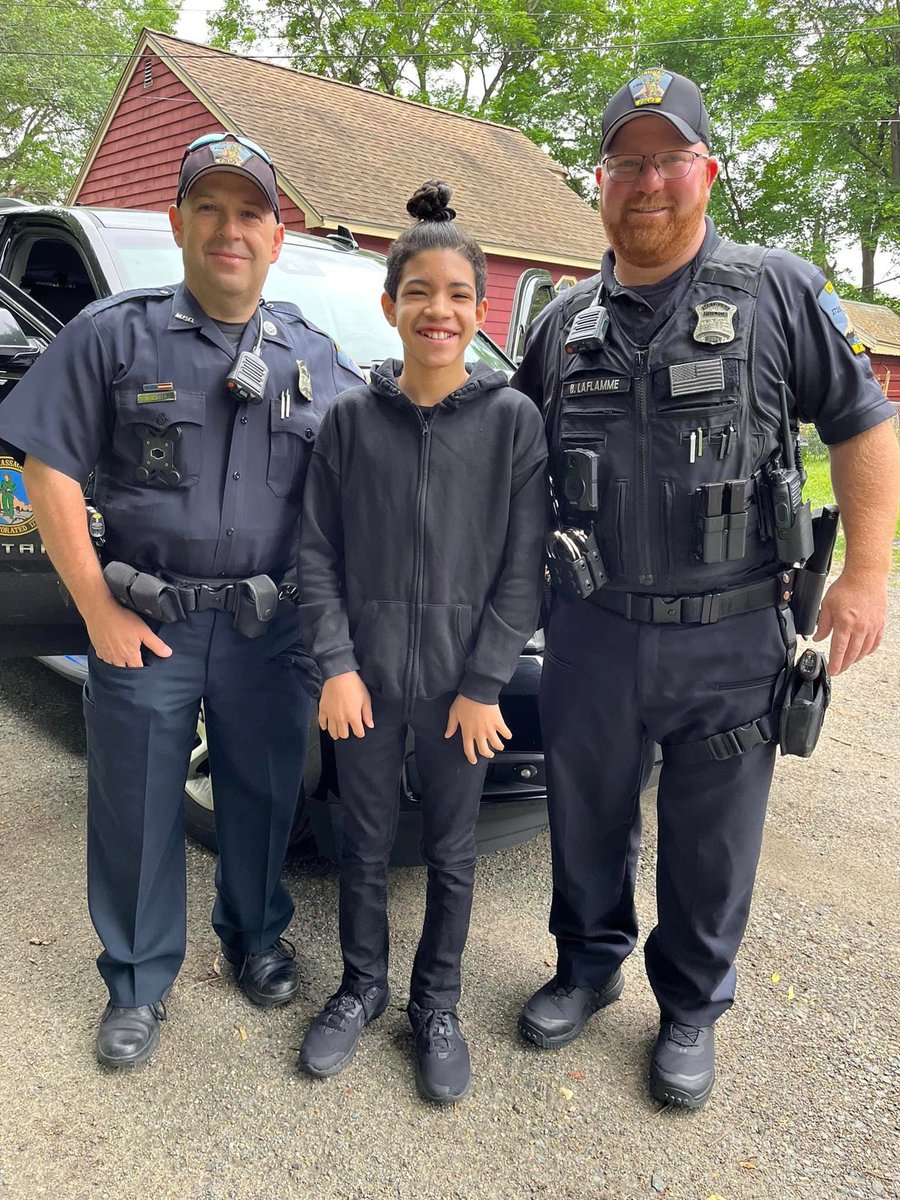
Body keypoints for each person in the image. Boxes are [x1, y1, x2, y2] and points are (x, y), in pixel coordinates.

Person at [512, 69, 900, 1109]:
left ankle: (688, 1007)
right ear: (601, 180)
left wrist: (867, 573)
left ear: (708, 171)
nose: (648, 181)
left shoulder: (778, 292)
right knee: (584, 818)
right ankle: (587, 966)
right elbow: (505, 458)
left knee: (712, 840)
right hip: (590, 629)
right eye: (627, 162)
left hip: (731, 635)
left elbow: (864, 422)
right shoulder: (563, 322)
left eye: (669, 159)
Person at [0, 133, 364, 1067]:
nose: (228, 230)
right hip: (147, 623)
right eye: (209, 209)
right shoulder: (113, 336)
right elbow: (47, 469)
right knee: (136, 806)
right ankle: (135, 979)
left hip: (269, 629)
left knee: (262, 795)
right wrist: (95, 608)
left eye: (249, 213)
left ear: (275, 237)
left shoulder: (317, 357)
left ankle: (256, 936)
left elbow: (370, 479)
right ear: (178, 223)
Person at [296, 182, 548, 1104]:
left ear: (478, 309)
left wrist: (484, 684)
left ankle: (434, 1003)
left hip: (459, 694)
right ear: (390, 304)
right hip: (363, 684)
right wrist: (336, 666)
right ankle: (361, 985)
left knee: (450, 851)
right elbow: (315, 552)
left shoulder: (513, 422)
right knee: (361, 844)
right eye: (418, 292)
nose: (437, 311)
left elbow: (523, 569)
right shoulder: (349, 420)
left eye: (456, 295)